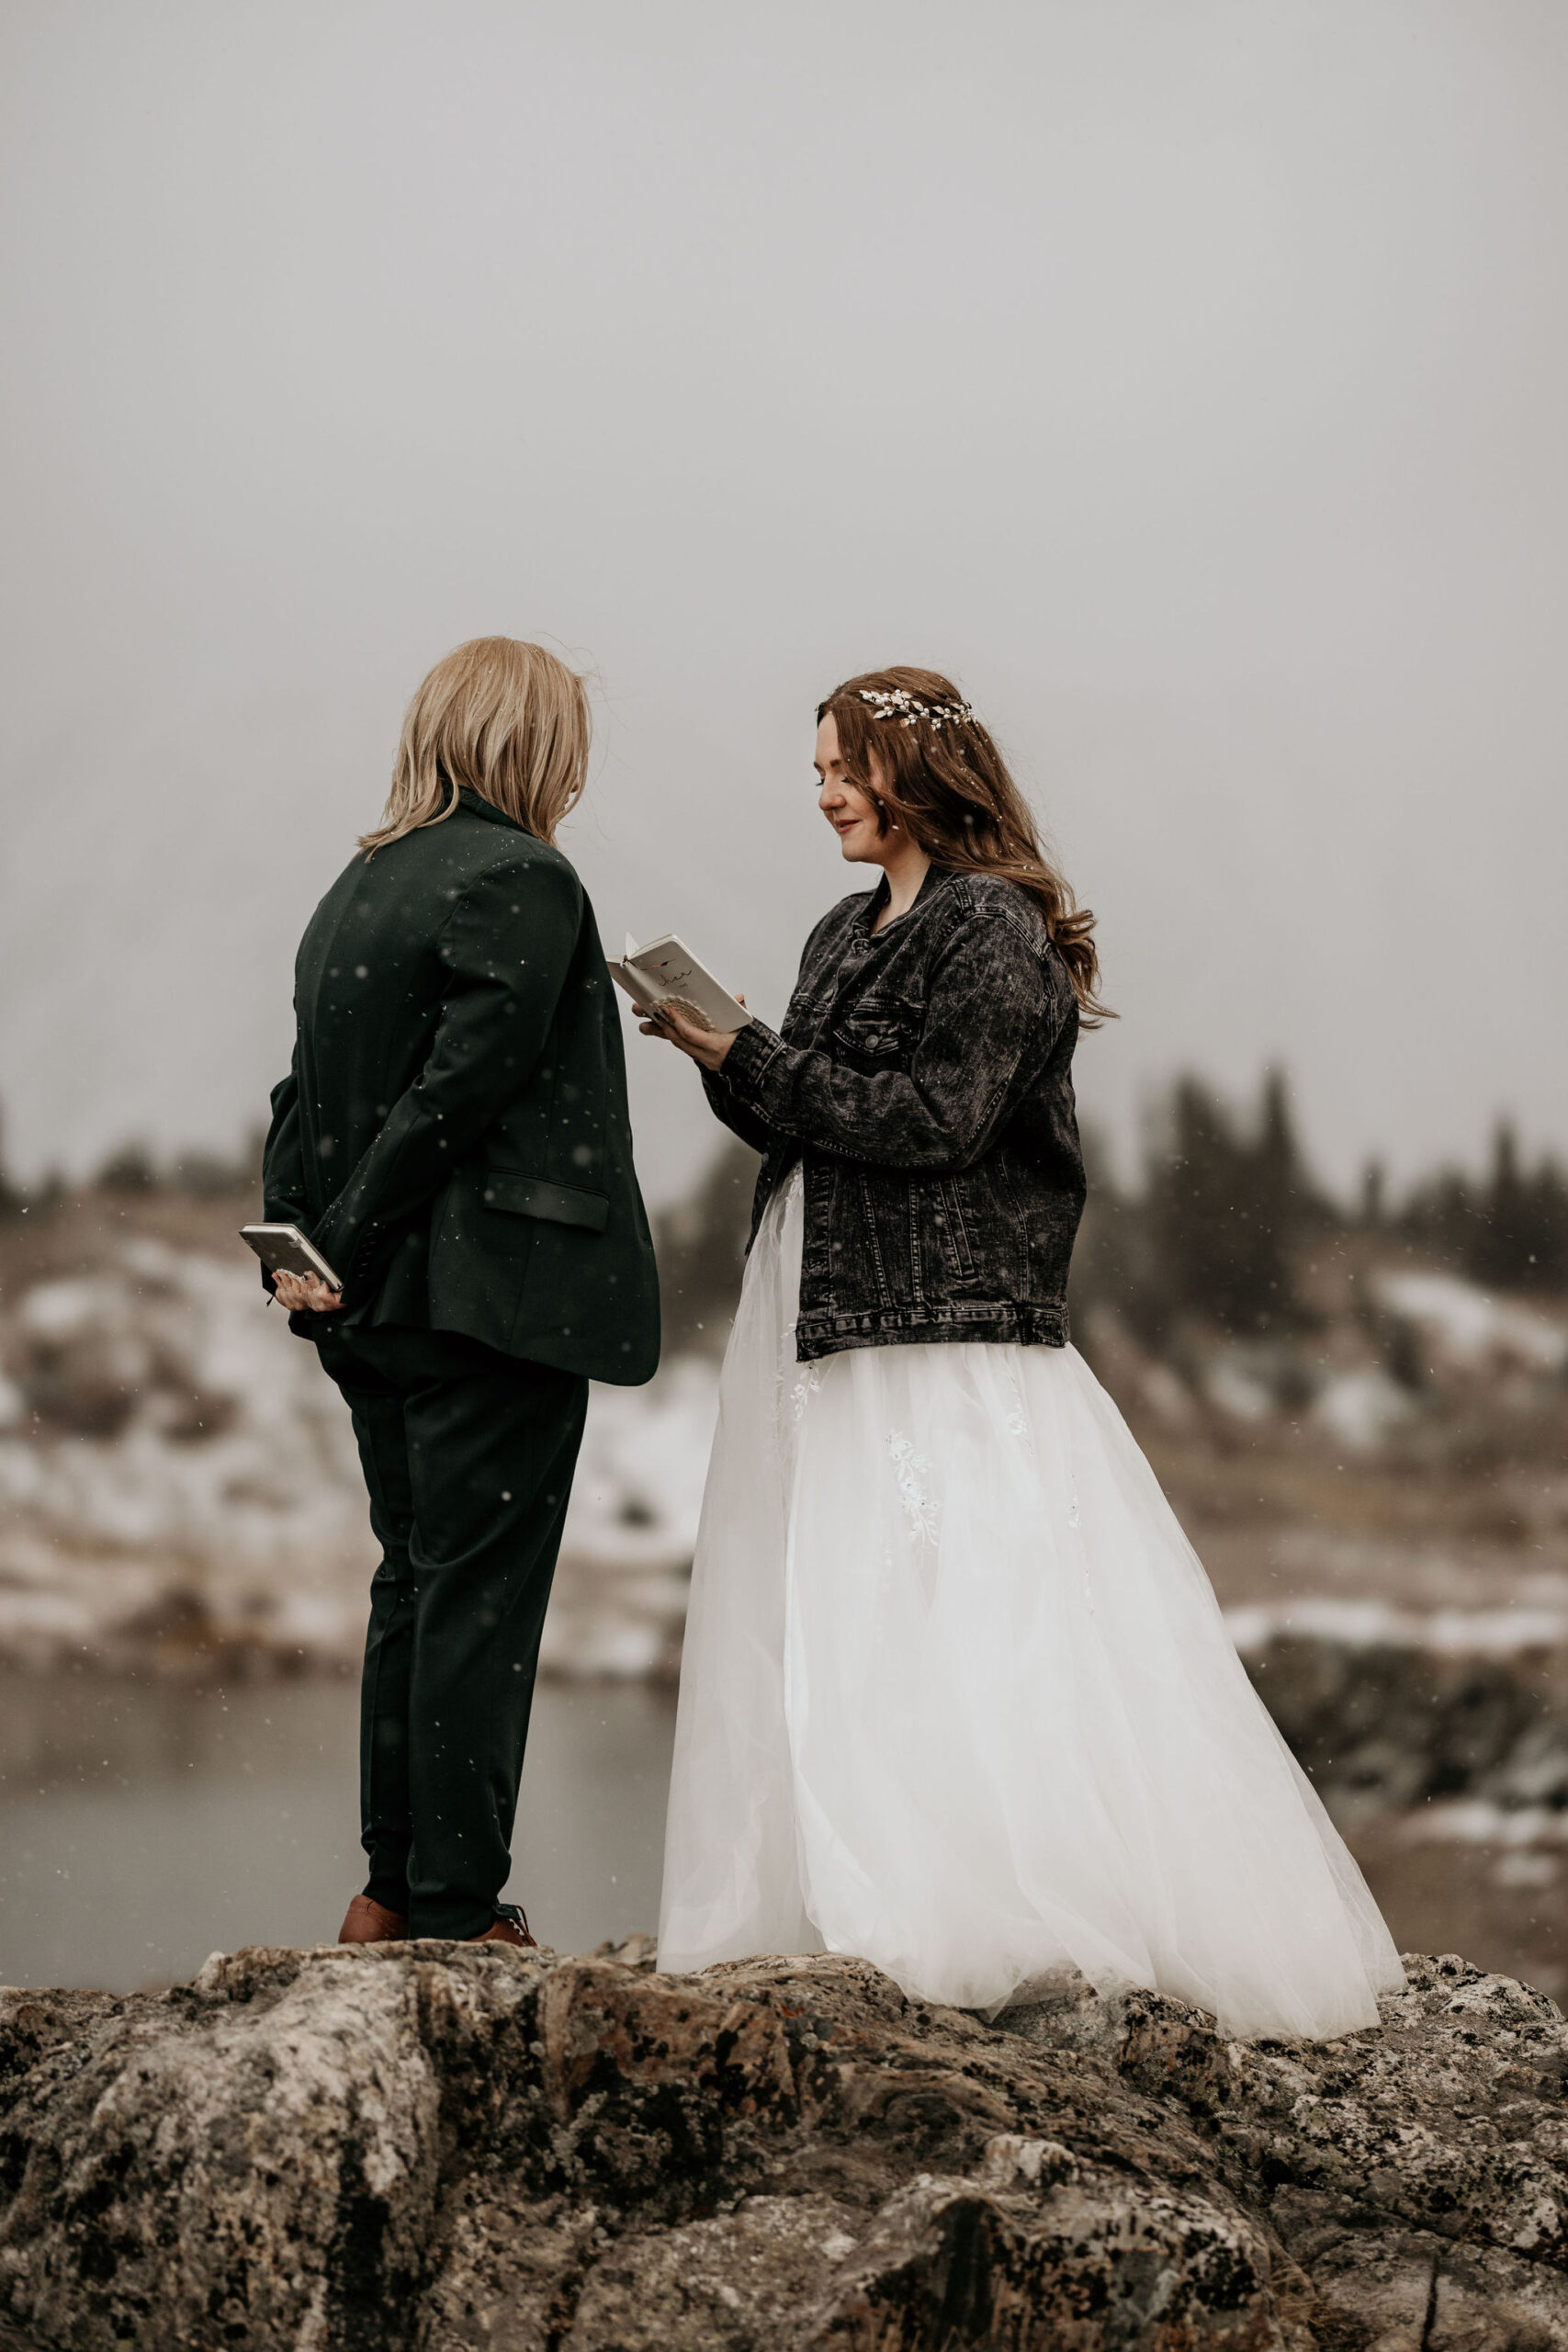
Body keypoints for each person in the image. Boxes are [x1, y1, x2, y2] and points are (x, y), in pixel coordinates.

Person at [648, 665, 1400, 2041]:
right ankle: (850, 1893)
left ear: (918, 772)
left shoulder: (993, 929)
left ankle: (973, 1910)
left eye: (842, 767)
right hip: (821, 1305)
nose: (822, 791)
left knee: (961, 1603)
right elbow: (812, 1118)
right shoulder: (839, 929)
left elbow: (938, 1120)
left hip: (947, 1322)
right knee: (838, 1597)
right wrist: (721, 1054)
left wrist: (755, 1055)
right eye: (815, 767)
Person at [262, 637, 659, 1949]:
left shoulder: (356, 883)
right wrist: (358, 1238)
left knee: (414, 1586)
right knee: (479, 1598)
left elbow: (301, 1095)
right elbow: (459, 1092)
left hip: (370, 1312)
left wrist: (306, 1253)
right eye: (571, 752)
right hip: (491, 1303)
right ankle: (456, 1909)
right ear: (534, 747)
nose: (577, 781)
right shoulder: (522, 875)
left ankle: (388, 1892)